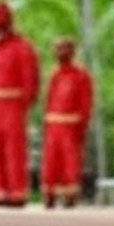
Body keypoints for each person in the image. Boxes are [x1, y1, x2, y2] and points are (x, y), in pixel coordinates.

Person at [0, 0, 39, 207]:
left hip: (13, 104)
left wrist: (24, 104)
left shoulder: (22, 48)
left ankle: (17, 192)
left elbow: (30, 79)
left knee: (14, 148)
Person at [40, 38, 93, 208]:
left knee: (70, 160)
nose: (59, 52)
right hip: (53, 124)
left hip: (70, 125)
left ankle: (70, 194)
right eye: (57, 48)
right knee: (51, 160)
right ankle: (49, 193)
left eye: (63, 48)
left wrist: (81, 123)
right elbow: (48, 100)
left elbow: (85, 102)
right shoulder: (54, 75)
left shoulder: (81, 76)